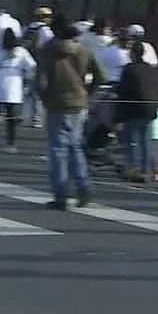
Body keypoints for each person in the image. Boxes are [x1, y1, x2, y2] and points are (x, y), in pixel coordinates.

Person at [36, 15, 105, 209]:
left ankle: (61, 195)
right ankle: (83, 185)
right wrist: (88, 93)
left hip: (57, 103)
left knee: (58, 149)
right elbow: (101, 77)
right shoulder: (84, 50)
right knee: (75, 146)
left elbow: (41, 82)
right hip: (79, 101)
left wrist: (44, 98)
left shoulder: (48, 51)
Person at [116, 41, 158, 183]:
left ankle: (134, 168)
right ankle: (148, 169)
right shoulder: (150, 68)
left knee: (132, 140)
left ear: (132, 54)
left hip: (135, 107)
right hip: (150, 107)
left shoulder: (129, 69)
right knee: (146, 140)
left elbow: (123, 89)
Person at [0, 27, 36, 152]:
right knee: (11, 116)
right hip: (14, 85)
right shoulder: (22, 52)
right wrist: (27, 79)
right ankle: (10, 143)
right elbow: (32, 66)